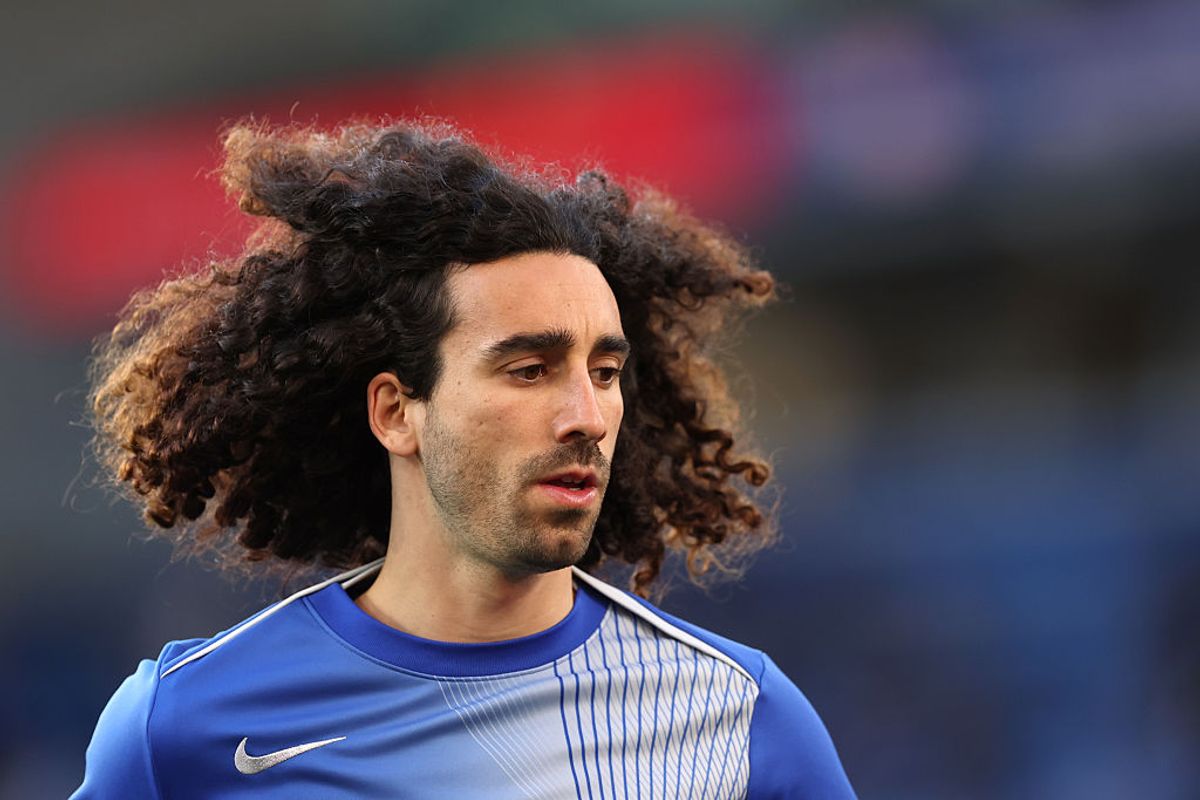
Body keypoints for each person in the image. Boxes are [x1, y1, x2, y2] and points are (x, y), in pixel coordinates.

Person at [73, 119, 856, 798]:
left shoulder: (742, 717)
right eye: (529, 370)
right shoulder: (184, 726)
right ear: (396, 412)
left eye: (606, 373)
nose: (586, 416)